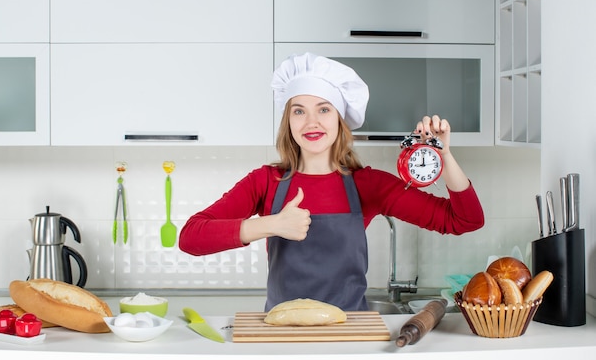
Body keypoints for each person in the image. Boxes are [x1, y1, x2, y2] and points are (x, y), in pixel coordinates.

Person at [179, 52, 484, 311]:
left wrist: (442, 154)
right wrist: (271, 225)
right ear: (288, 122)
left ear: (339, 119)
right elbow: (191, 237)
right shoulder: (265, 181)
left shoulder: (369, 185)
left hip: (350, 335)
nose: (311, 122)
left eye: (323, 109)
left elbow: (465, 220)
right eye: (299, 111)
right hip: (283, 338)